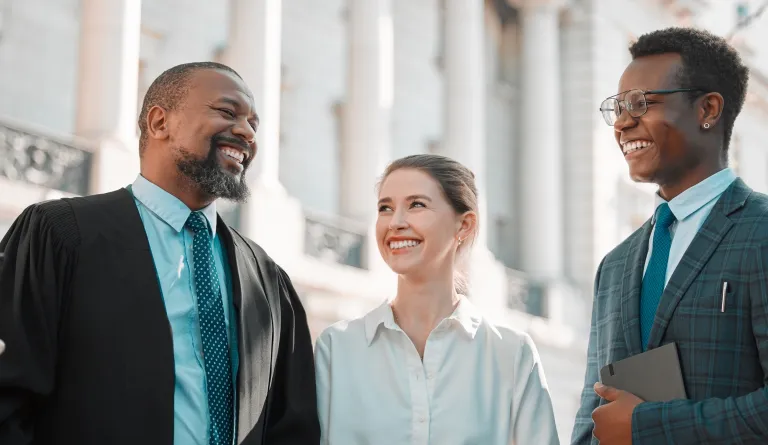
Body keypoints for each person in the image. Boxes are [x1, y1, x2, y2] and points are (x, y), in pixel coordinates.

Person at [0, 62, 320, 445]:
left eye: (254, 122)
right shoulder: (60, 234)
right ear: (158, 122)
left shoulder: (267, 279)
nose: (247, 132)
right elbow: (8, 396)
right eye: (226, 112)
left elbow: (292, 427)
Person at [571, 27, 768, 445]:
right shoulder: (616, 264)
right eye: (619, 107)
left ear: (708, 109)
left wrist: (646, 426)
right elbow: (593, 417)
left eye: (642, 103)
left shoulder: (761, 230)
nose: (623, 122)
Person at [314, 154, 559, 444]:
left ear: (464, 225)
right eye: (385, 208)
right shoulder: (336, 349)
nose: (396, 222)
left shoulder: (512, 355)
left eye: (416, 205)